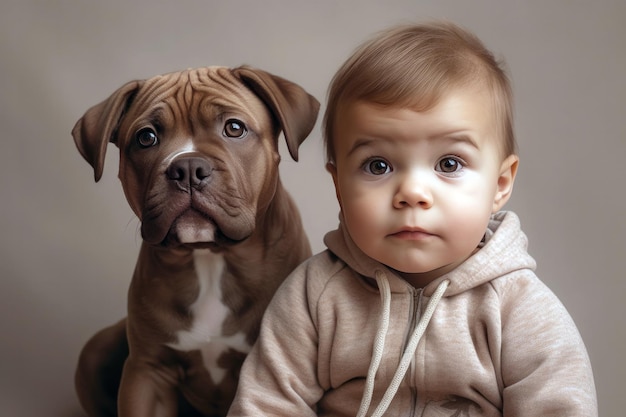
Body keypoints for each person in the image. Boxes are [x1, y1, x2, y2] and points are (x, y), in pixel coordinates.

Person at [227, 22, 597, 416]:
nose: (412, 193)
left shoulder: (519, 309)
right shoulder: (314, 296)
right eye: (378, 165)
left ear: (500, 184)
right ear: (338, 185)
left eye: (449, 163)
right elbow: (265, 405)